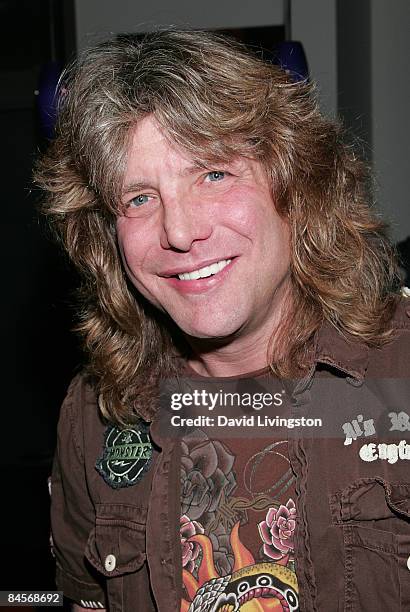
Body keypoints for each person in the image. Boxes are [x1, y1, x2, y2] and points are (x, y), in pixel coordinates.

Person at [35, 30, 410, 612]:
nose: (179, 231)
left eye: (213, 173)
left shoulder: (401, 369)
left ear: (297, 186)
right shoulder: (95, 411)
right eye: (138, 198)